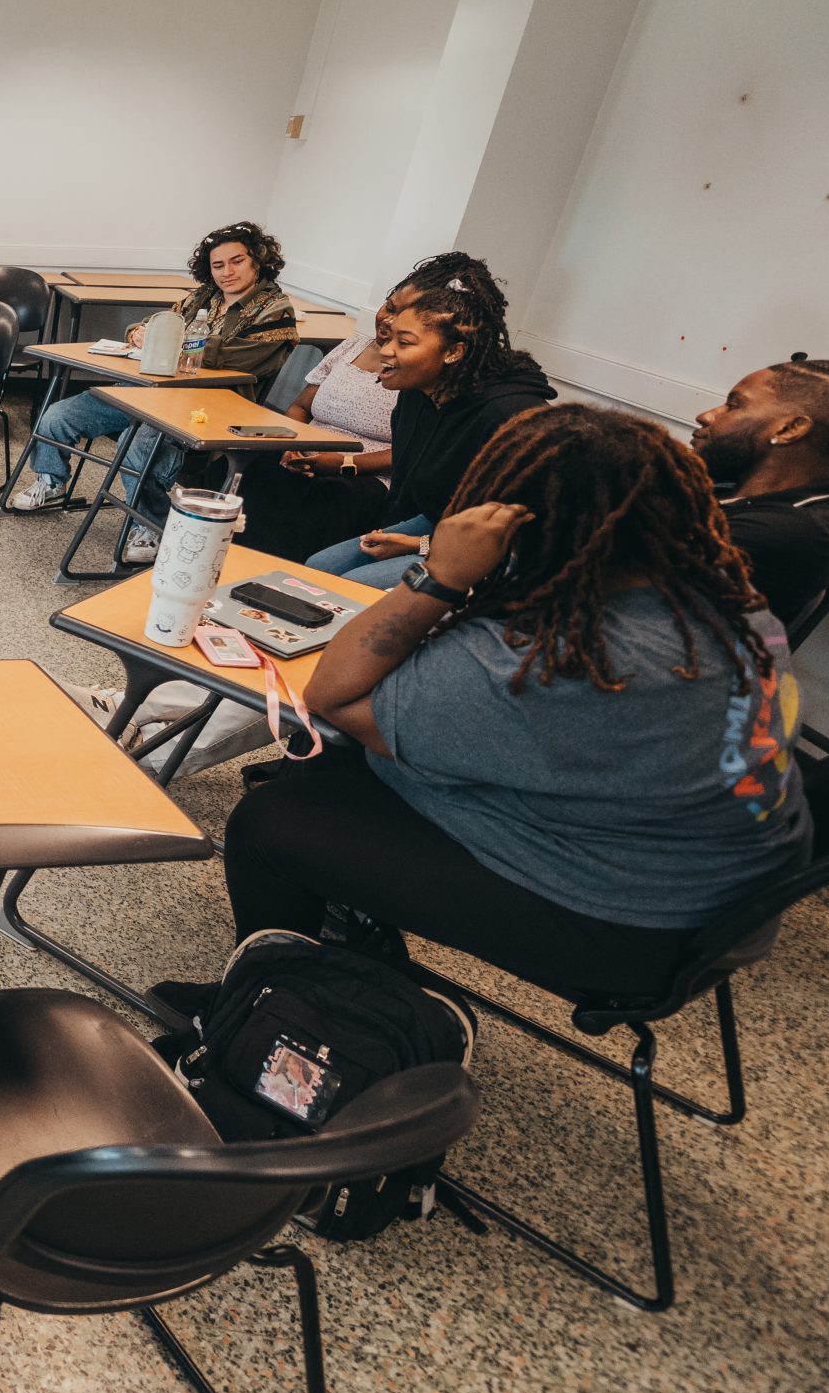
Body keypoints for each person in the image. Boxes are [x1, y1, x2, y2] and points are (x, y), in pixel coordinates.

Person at [222, 404, 810, 1001]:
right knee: (342, 759)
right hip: (720, 892)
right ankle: (345, 939)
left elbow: (333, 695)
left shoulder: (547, 661)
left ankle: (270, 1004)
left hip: (630, 928)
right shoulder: (729, 602)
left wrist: (440, 577)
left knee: (271, 822)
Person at [8, 222, 298, 560]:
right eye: (218, 265)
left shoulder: (276, 309)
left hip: (210, 406)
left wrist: (172, 341)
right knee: (57, 416)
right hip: (155, 389)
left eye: (237, 261)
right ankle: (52, 482)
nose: (227, 272)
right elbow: (154, 324)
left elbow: (239, 358)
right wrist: (140, 334)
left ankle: (149, 524)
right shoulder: (202, 296)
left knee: (141, 447)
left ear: (258, 261)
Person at [304, 252, 554, 588]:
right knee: (317, 568)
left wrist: (420, 546)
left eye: (404, 343)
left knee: (356, 585)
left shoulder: (510, 416)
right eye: (391, 337)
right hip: (441, 523)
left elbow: (523, 530)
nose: (387, 350)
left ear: (454, 352)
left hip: (511, 550)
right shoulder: (417, 392)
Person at [229, 319, 400, 559]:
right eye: (389, 307)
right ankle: (230, 558)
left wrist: (343, 464)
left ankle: (280, 576)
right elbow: (299, 407)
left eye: (400, 313)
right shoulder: (351, 347)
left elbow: (409, 453)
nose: (388, 318)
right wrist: (292, 447)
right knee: (255, 470)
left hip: (365, 471)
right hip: (306, 452)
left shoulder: (418, 373)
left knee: (330, 497)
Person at [692, 356, 829, 626]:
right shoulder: (732, 478)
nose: (706, 416)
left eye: (733, 406)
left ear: (790, 429)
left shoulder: (790, 531)